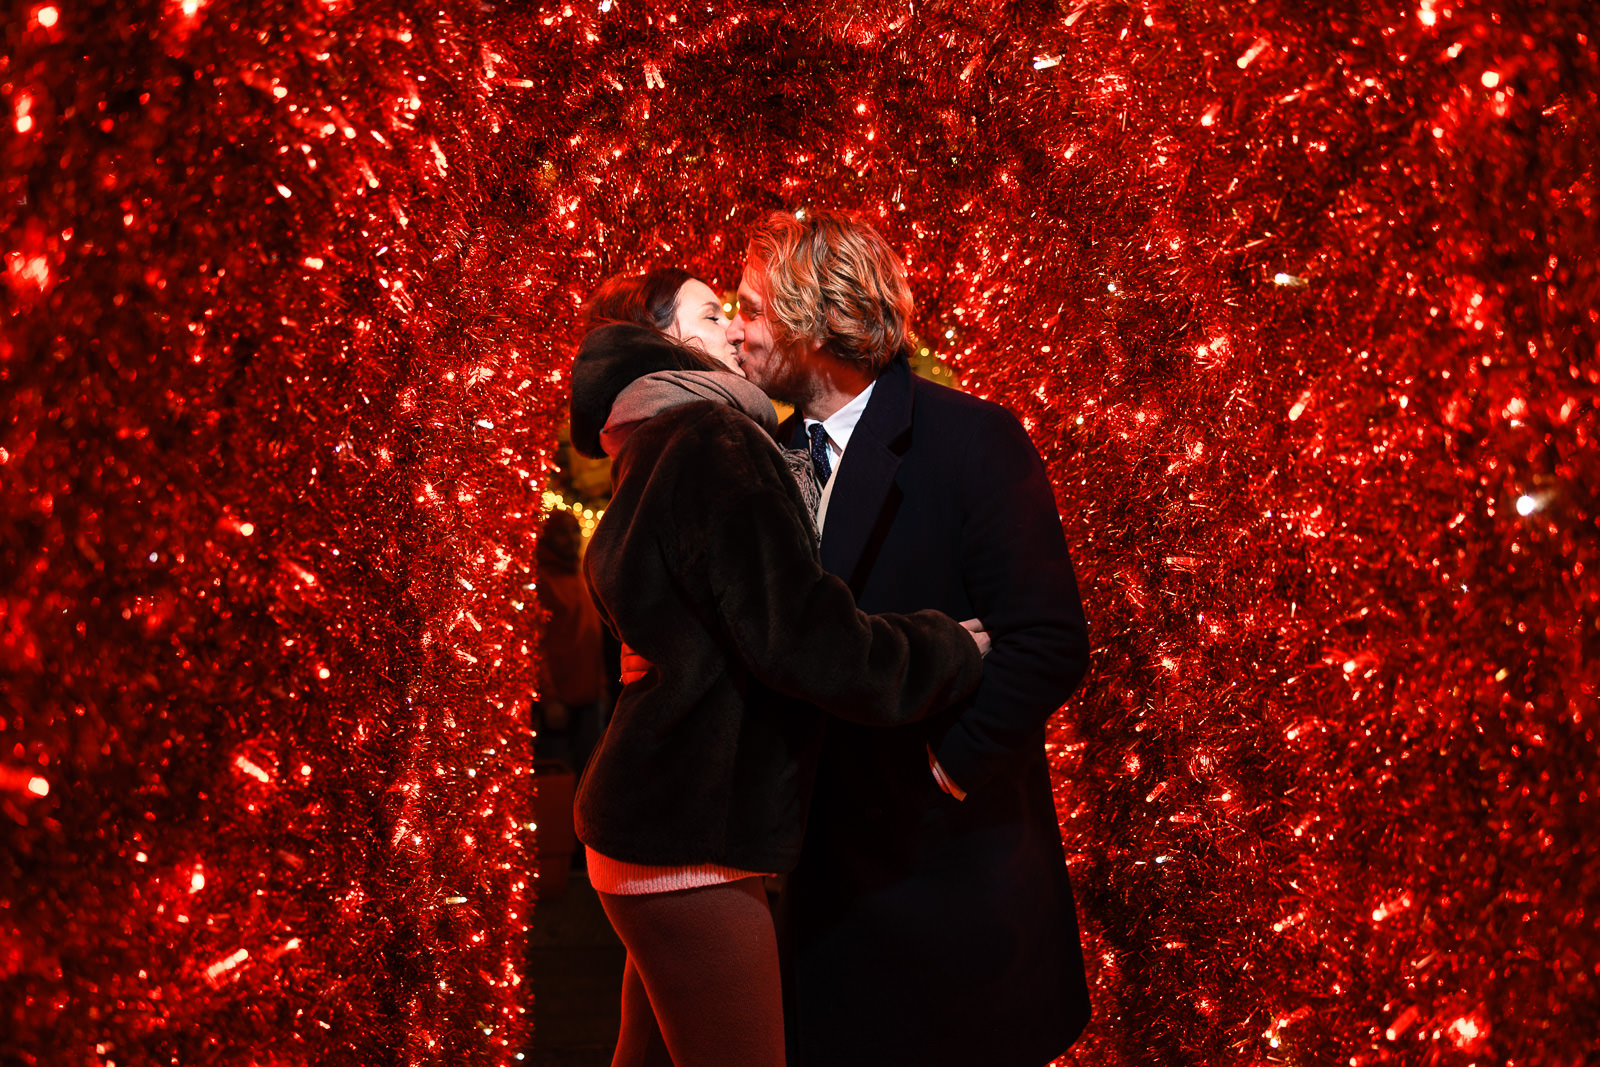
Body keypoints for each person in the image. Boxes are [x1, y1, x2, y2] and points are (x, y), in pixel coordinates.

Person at [567, 267, 989, 1067]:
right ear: (664, 339)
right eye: (710, 314)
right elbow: (805, 638)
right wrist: (949, 649)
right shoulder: (712, 438)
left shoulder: (653, 441)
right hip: (687, 839)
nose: (731, 328)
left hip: (650, 823)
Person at [726, 210, 1093, 1067]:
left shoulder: (970, 439)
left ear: (813, 320)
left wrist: (945, 773)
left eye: (750, 309)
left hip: (950, 886)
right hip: (825, 892)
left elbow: (1047, 639)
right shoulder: (764, 453)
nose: (737, 332)